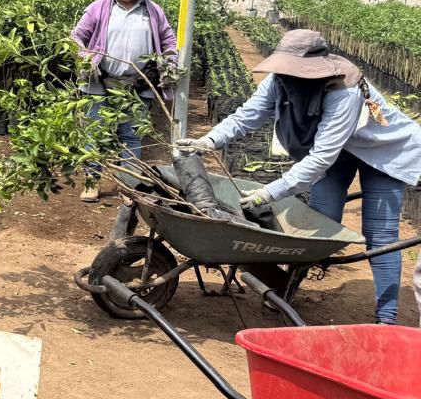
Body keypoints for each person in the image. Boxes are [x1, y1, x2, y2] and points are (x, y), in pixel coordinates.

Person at [180, 29, 421, 325]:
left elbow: (321, 158)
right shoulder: (279, 81)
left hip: (383, 153)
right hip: (339, 152)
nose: (288, 76)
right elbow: (247, 115)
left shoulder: (343, 91)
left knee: (379, 235)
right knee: (320, 221)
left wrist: (269, 192)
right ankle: (287, 289)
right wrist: (209, 141)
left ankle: (386, 318)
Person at [71, 0, 178, 202]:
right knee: (96, 133)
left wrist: (169, 62)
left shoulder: (153, 12)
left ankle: (129, 186)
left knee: (131, 136)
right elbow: (76, 37)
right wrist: (86, 57)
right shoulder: (98, 8)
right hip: (101, 82)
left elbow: (168, 40)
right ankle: (91, 182)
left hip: (138, 85)